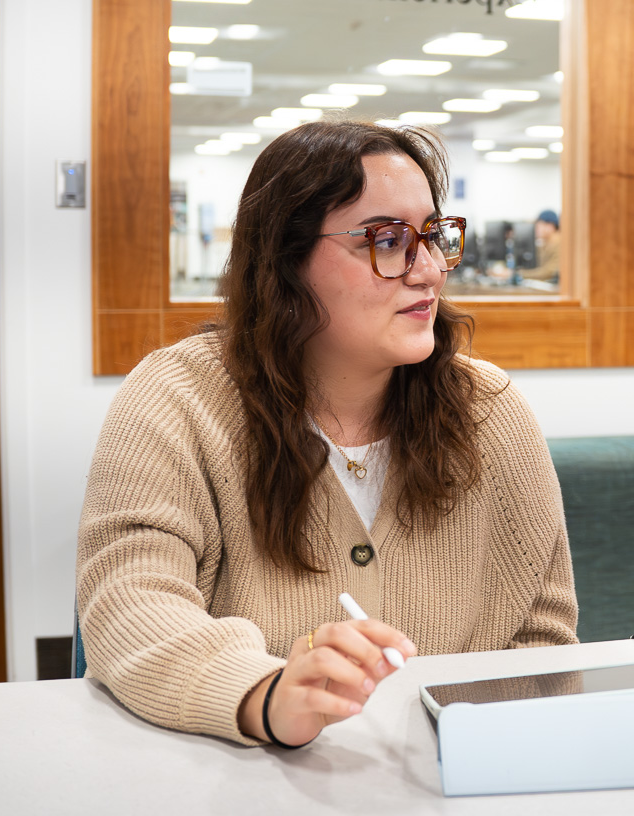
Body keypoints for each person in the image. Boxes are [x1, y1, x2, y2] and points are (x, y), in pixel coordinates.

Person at [77, 120, 578, 749]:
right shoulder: (177, 399)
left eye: (433, 236)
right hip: (231, 780)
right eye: (388, 240)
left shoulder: (490, 411)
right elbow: (129, 605)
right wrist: (264, 696)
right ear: (286, 261)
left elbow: (542, 646)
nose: (427, 271)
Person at [528, 209, 563, 283]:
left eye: (538, 226)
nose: (536, 229)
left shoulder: (559, 243)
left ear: (550, 226)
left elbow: (548, 273)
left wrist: (518, 274)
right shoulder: (545, 244)